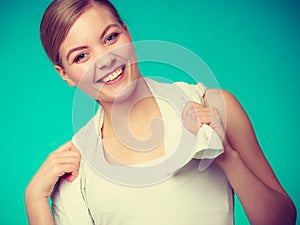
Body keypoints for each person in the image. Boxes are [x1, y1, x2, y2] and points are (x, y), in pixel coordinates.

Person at [25, 0, 296, 224]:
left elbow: (283, 219)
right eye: (81, 56)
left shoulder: (213, 107)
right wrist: (34, 198)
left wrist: (227, 155)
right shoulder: (77, 165)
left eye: (110, 37)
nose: (105, 60)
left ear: (127, 32)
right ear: (65, 74)